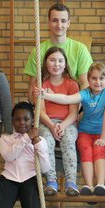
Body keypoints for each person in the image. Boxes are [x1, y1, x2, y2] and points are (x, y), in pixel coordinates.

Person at [36, 63, 105, 197]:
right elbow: (67, 99)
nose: (98, 82)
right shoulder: (85, 93)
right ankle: (89, 185)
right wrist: (46, 95)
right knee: (86, 152)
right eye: (94, 78)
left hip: (101, 131)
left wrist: (103, 138)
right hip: (85, 131)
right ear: (88, 79)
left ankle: (101, 184)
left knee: (98, 151)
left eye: (101, 78)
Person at [25, 2, 93, 101]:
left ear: (68, 23)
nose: (59, 25)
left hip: (73, 105)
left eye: (63, 21)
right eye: (54, 20)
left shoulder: (80, 49)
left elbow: (85, 84)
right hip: (46, 107)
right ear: (48, 22)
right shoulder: (38, 51)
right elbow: (32, 91)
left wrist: (75, 109)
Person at [37, 47, 80, 196]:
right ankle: (51, 180)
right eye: (52, 60)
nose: (56, 64)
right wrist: (51, 126)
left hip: (67, 122)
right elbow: (40, 111)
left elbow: (74, 112)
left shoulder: (72, 84)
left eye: (60, 61)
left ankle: (71, 182)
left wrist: (62, 126)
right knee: (45, 141)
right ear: (46, 63)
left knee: (68, 140)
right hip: (47, 122)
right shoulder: (42, 84)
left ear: (65, 64)